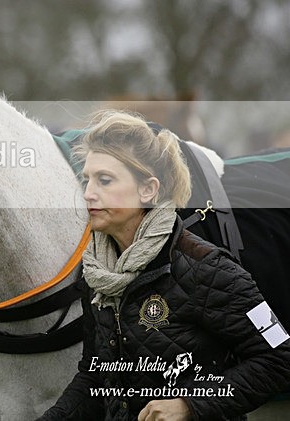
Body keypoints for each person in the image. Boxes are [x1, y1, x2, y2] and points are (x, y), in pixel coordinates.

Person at [38, 110, 290, 421]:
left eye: (104, 180)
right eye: (86, 179)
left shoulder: (206, 268)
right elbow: (95, 377)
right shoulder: (97, 274)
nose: (88, 193)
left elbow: (279, 358)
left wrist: (189, 405)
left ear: (148, 189)